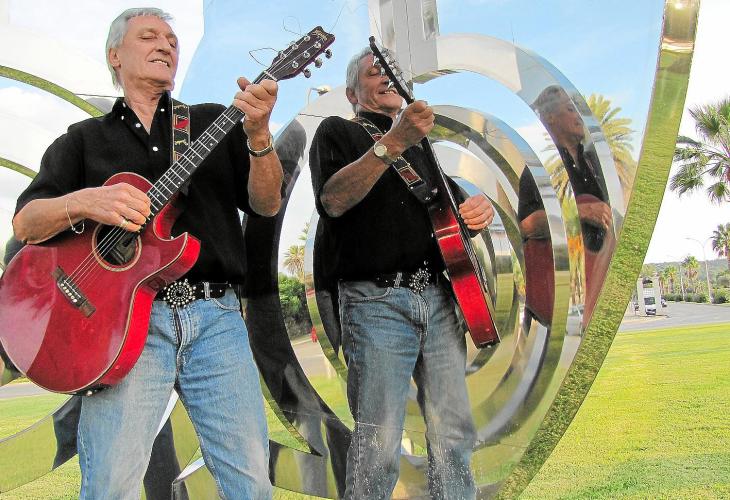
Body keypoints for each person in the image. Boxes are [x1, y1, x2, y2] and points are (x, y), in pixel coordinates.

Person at [11, 8, 282, 499]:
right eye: (149, 36)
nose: (165, 46)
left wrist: (260, 137)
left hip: (216, 318)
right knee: (111, 485)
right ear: (115, 55)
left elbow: (266, 203)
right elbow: (27, 223)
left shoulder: (211, 122)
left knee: (251, 484)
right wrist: (87, 201)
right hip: (122, 326)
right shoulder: (83, 140)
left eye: (172, 40)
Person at [309, 47, 495, 500]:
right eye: (375, 72)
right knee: (378, 443)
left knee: (454, 434)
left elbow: (453, 213)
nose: (387, 77)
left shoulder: (421, 147)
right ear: (352, 92)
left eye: (393, 72)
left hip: (439, 298)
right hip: (376, 303)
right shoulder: (337, 131)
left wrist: (476, 211)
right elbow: (333, 200)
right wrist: (393, 142)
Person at [518, 85, 614, 324]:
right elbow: (526, 226)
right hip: (558, 298)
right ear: (550, 117)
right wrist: (579, 211)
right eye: (571, 109)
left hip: (596, 289)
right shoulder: (539, 171)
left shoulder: (593, 164)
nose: (579, 116)